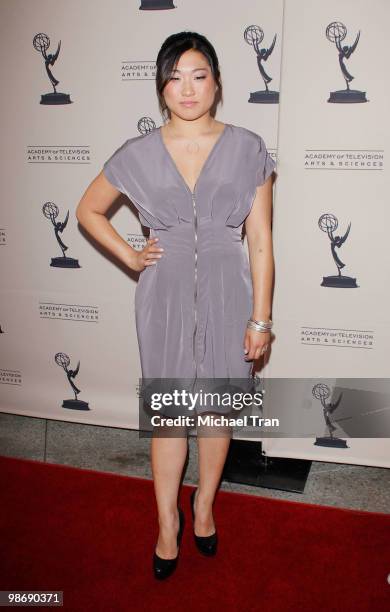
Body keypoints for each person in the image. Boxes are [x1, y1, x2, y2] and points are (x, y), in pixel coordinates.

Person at [75, 31, 276, 580]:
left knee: (214, 413)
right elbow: (88, 211)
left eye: (199, 75)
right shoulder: (137, 153)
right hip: (162, 295)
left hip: (229, 291)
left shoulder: (249, 148)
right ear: (161, 86)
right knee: (168, 418)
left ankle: (204, 505)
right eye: (174, 77)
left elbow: (260, 241)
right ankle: (167, 523)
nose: (187, 89)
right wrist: (132, 257)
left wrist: (261, 318)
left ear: (216, 81)